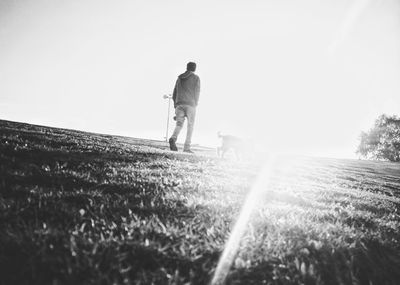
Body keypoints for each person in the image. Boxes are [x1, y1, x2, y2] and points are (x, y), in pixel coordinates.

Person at [169, 62, 201, 153]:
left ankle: (173, 138)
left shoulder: (179, 78)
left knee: (179, 124)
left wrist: (175, 105)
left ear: (187, 68)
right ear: (194, 68)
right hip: (190, 104)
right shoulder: (196, 78)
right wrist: (195, 103)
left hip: (179, 104)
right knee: (190, 126)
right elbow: (197, 91)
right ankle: (186, 148)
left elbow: (174, 92)